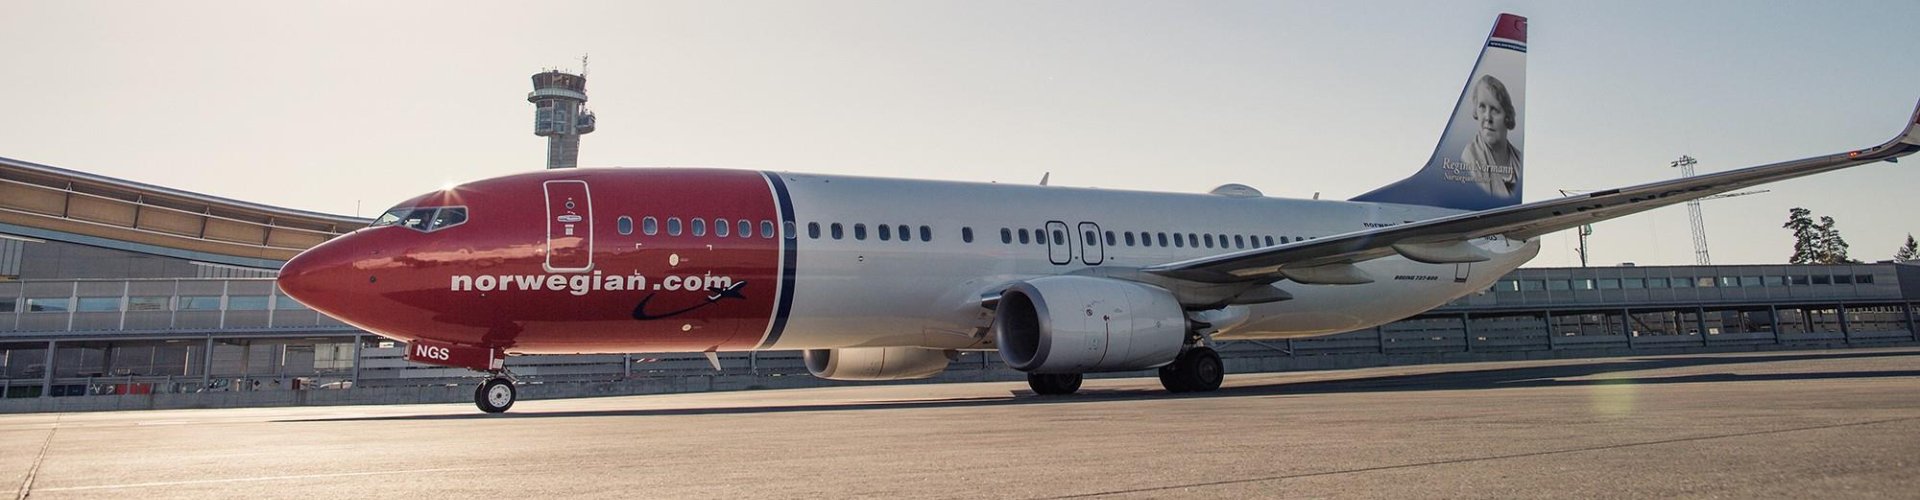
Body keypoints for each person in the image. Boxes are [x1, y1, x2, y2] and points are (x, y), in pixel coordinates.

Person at [1459, 74, 1521, 197]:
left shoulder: (1519, 160)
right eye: (1482, 107)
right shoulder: (1470, 156)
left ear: (1507, 116)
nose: (1487, 117)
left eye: (1494, 109)